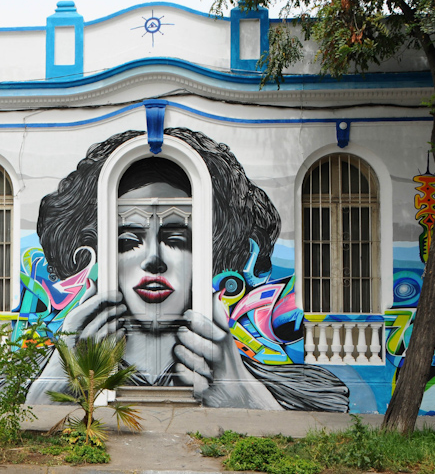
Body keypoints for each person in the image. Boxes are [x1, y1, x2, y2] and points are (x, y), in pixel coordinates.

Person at [23, 127, 348, 411]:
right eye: (128, 241)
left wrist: (243, 395)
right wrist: (58, 379)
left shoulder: (310, 391)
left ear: (213, 251)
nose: (154, 260)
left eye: (177, 238)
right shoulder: (23, 376)